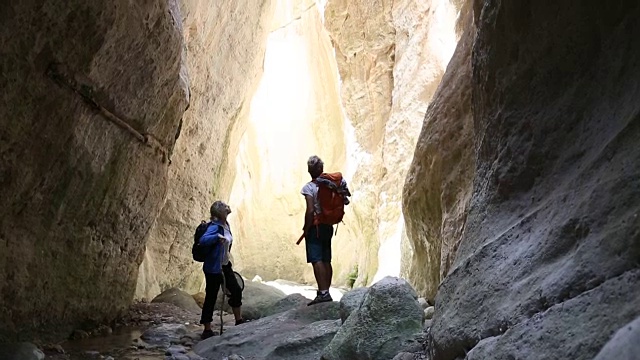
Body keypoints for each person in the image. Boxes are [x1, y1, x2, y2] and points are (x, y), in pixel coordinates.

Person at [301, 155, 350, 306]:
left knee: (316, 260)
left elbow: (310, 210)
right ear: (321, 169)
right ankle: (326, 291)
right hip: (328, 225)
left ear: (309, 170)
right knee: (326, 259)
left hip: (315, 227)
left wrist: (306, 227)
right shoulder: (330, 184)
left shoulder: (309, 188)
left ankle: (323, 293)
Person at [198, 200, 246, 339]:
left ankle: (239, 321)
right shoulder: (215, 227)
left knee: (236, 291)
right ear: (220, 212)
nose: (228, 207)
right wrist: (217, 237)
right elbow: (203, 240)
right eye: (225, 206)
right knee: (211, 296)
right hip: (213, 267)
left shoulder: (226, 225)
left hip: (224, 265)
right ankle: (207, 329)